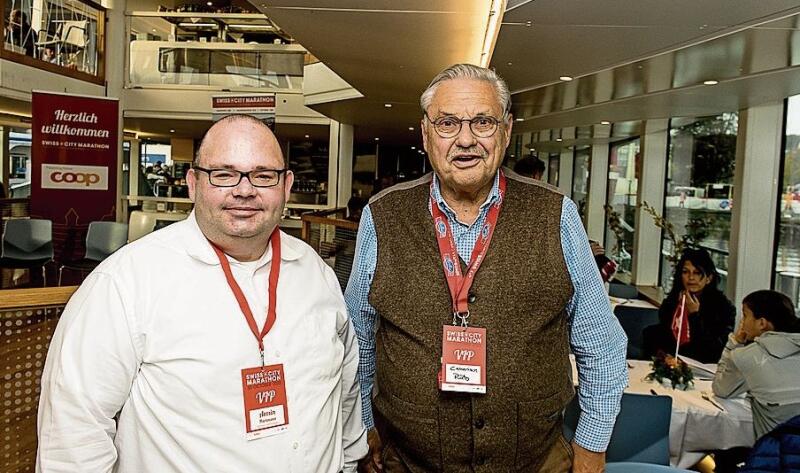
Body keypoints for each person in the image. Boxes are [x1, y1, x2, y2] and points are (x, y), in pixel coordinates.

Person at [37, 114, 367, 472]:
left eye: (263, 175)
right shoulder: (126, 282)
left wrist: (349, 463)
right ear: (193, 184)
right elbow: (72, 433)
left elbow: (344, 391)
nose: (245, 190)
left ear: (286, 186)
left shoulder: (315, 272)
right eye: (223, 174)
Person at [346, 64, 627, 473]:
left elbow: (602, 346)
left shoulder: (556, 214)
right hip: (406, 462)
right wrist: (364, 426)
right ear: (425, 134)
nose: (465, 139)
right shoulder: (382, 216)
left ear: (506, 131)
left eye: (482, 122)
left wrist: (591, 446)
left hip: (535, 462)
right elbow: (357, 339)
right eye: (447, 123)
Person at [712, 290, 800, 439]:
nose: (742, 322)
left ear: (762, 323)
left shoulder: (748, 356)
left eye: (745, 316)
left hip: (774, 453)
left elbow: (721, 389)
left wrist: (734, 343)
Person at [643, 248, 736, 363]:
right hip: (672, 364)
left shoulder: (723, 307)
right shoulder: (672, 301)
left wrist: (694, 315)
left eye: (697, 273)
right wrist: (664, 356)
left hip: (703, 366)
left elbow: (714, 350)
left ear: (709, 278)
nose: (691, 277)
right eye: (685, 272)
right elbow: (663, 337)